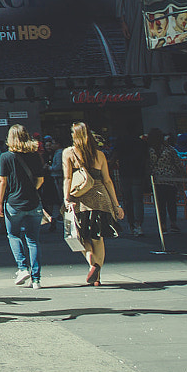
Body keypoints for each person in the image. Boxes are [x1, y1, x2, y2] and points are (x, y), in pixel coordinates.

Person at [63, 121, 123, 287]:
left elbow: (67, 178)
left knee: (81, 238)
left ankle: (93, 264)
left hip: (80, 201)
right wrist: (116, 205)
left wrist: (66, 198)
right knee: (98, 238)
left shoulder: (69, 153)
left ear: (74, 136)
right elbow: (108, 181)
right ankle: (97, 276)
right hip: (100, 199)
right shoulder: (100, 155)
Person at [0, 124, 47, 290]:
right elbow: (40, 180)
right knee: (33, 240)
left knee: (13, 235)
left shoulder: (5, 157)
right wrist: (31, 190)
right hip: (33, 202)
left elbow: (2, 181)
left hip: (13, 203)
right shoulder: (35, 156)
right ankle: (37, 279)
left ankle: (22, 268)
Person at [111, 130, 150, 236]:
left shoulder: (121, 142)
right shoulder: (141, 142)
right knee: (138, 200)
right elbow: (147, 158)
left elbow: (114, 157)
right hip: (138, 173)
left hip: (125, 173)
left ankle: (131, 224)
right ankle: (138, 224)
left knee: (128, 200)